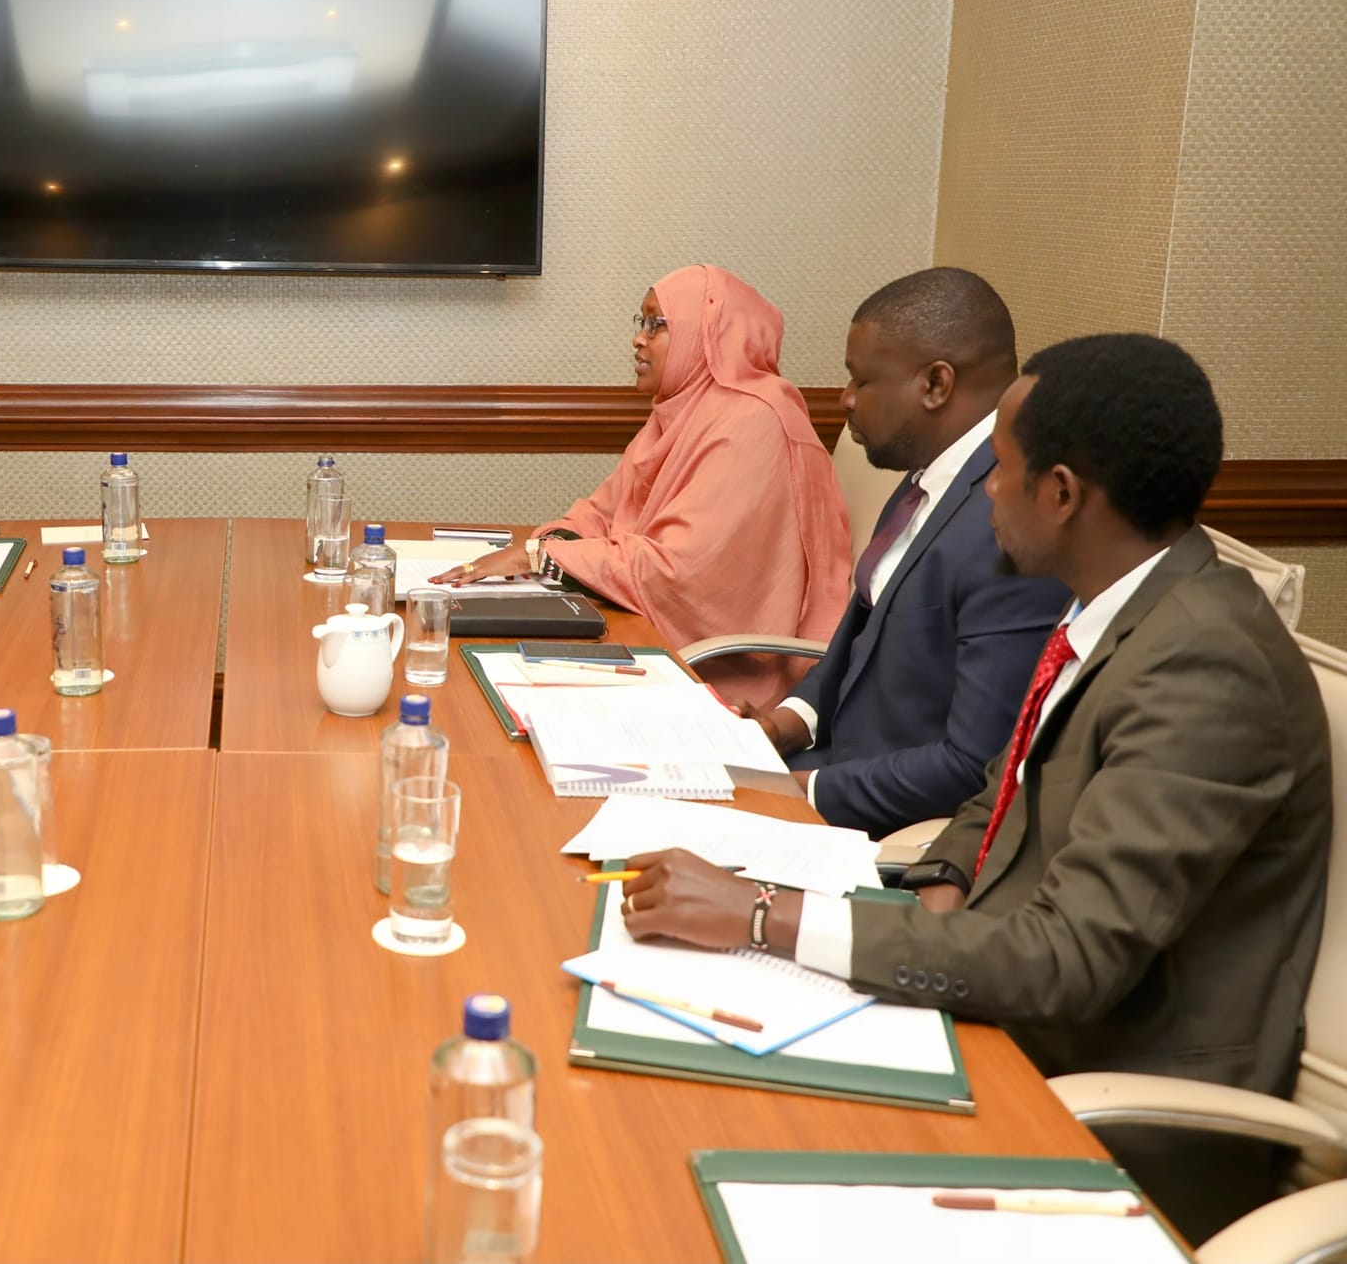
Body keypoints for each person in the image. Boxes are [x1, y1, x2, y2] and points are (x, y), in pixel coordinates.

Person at [619, 333, 1330, 1241]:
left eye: (1001, 469)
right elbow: (1008, 779)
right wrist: (947, 874)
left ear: (1062, 494)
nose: (985, 492)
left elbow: (1069, 962)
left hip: (1104, 1112)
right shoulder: (1117, 601)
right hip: (996, 1017)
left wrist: (763, 914)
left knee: (692, 1175)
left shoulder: (1207, 667)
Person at [739, 269, 1071, 836]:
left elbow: (973, 766)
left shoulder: (1012, 523)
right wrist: (785, 724)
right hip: (823, 771)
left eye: (861, 380)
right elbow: (862, 642)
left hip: (881, 826)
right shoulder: (930, 473)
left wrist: (794, 792)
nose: (845, 399)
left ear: (936, 384)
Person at [434, 264, 850, 706]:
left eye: (657, 324)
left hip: (718, 675)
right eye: (642, 321)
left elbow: (678, 572)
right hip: (651, 636)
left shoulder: (754, 422)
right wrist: (543, 547)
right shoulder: (682, 410)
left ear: (706, 333)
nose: (638, 338)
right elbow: (601, 513)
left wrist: (541, 556)